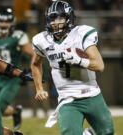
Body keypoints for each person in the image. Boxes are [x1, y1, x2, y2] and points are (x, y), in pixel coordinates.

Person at [31, 1, 114, 135]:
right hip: (68, 97)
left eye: (59, 18)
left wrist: (80, 60)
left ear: (68, 18)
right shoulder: (42, 40)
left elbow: (100, 65)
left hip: (92, 93)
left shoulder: (81, 34)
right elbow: (35, 63)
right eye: (52, 19)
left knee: (108, 132)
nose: (55, 23)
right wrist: (39, 88)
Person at [0, 7, 35, 130]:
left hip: (12, 78)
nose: (4, 24)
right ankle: (16, 112)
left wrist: (33, 69)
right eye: (2, 21)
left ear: (12, 23)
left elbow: (34, 53)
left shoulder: (17, 36)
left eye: (7, 21)